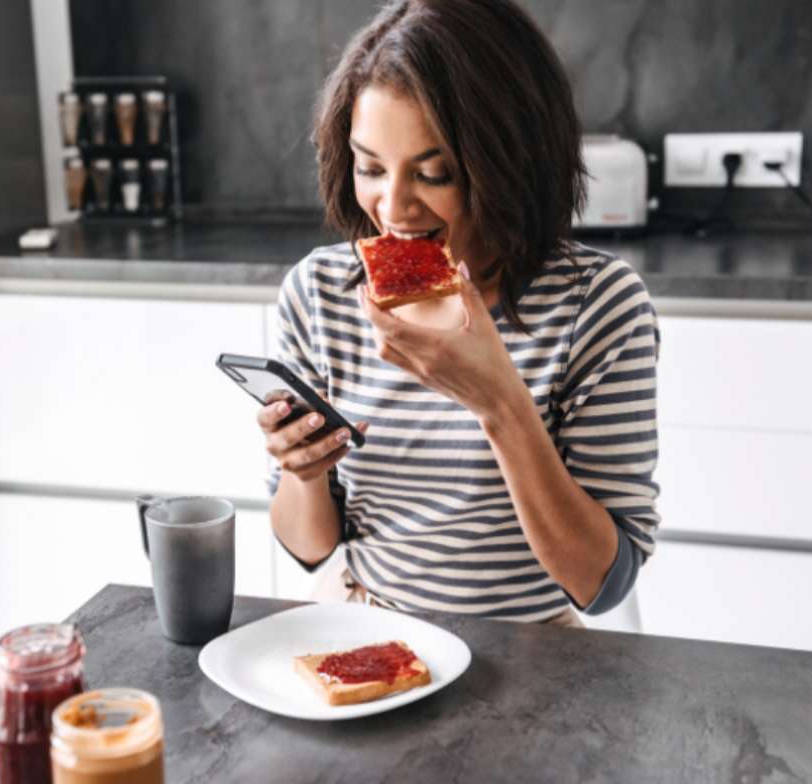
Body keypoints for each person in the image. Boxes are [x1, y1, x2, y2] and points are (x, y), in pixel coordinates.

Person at [259, 0, 659, 626]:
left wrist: (499, 401)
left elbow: (602, 584)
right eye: (370, 166)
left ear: (509, 163)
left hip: (534, 651)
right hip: (365, 622)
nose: (392, 207)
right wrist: (302, 473)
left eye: (435, 173)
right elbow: (311, 549)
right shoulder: (319, 294)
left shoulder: (599, 306)